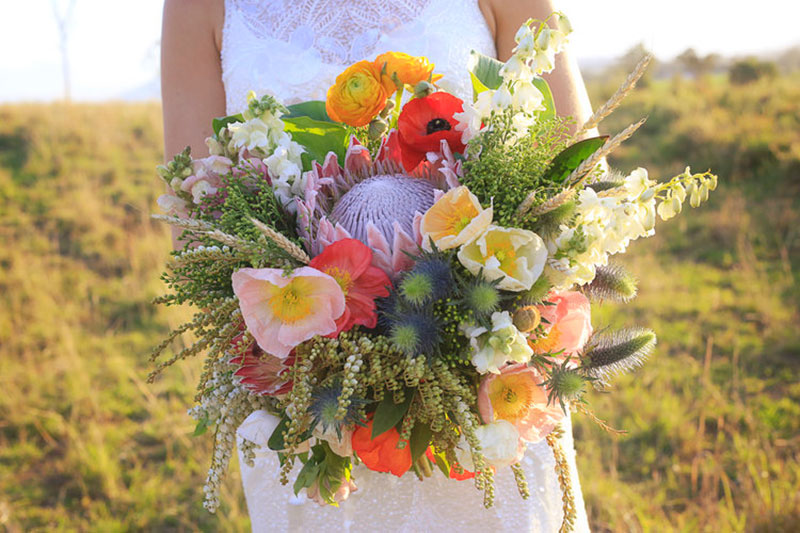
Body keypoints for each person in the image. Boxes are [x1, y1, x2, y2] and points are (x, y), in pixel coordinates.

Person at [161, 1, 593, 531]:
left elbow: (577, 176)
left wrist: (478, 338)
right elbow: (195, 218)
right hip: (315, 410)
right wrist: (330, 358)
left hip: (493, 392)